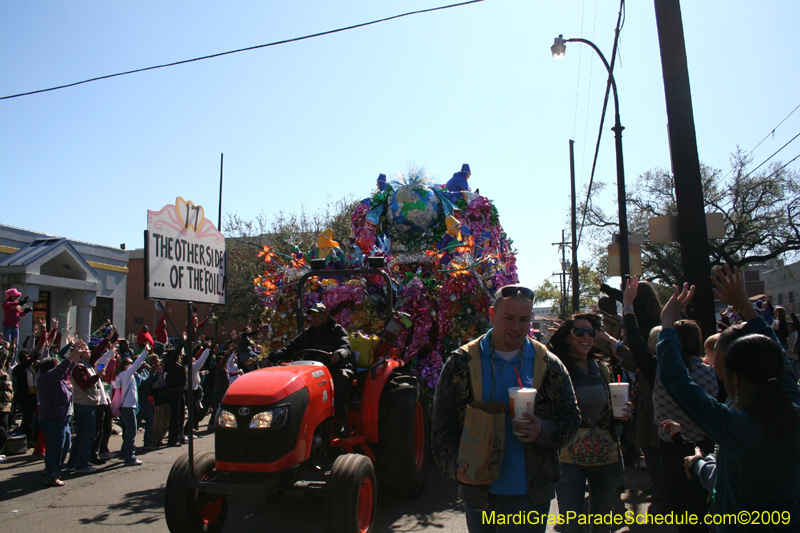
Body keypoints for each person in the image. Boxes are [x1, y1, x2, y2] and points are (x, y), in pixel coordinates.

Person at [658, 265, 800, 530]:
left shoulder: (736, 427)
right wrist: (746, 307)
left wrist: (667, 324)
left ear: (735, 378)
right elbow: (778, 356)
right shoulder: (792, 405)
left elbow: (678, 381)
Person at [431, 285, 581, 533]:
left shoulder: (548, 363)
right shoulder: (462, 362)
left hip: (531, 496)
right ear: (491, 315)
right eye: (508, 318)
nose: (517, 327)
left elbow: (572, 418)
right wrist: (455, 470)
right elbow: (441, 425)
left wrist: (542, 430)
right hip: (480, 495)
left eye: (524, 319)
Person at [548, 313, 629, 533]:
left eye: (591, 333)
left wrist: (621, 412)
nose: (586, 337)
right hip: (569, 458)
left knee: (603, 525)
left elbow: (609, 409)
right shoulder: (556, 369)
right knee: (571, 525)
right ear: (567, 337)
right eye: (579, 332)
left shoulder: (602, 368)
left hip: (605, 457)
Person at [269, 302, 355, 435]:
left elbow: (345, 347)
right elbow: (290, 348)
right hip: (312, 370)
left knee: (341, 377)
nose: (313, 318)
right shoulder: (307, 334)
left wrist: (339, 354)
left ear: (325, 316)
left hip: (332, 367)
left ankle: (340, 420)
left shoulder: (337, 330)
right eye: (311, 316)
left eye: (317, 315)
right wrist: (271, 357)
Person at [37, 343, 83, 487]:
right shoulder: (47, 378)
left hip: (63, 419)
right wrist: (72, 354)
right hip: (52, 418)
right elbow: (63, 367)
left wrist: (77, 354)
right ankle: (51, 475)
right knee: (55, 448)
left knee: (63, 446)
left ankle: (53, 471)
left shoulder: (61, 379)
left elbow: (68, 368)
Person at [113, 346, 148, 466]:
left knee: (129, 431)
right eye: (129, 363)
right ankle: (130, 456)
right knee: (131, 431)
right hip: (128, 406)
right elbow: (137, 364)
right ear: (124, 366)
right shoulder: (126, 374)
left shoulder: (126, 376)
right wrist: (145, 352)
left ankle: (125, 453)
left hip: (128, 405)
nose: (132, 365)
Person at [3, 288, 32, 353]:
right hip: (7, 326)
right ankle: (5, 359)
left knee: (15, 345)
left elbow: (20, 314)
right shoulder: (6, 303)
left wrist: (25, 311)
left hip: (15, 327)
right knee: (7, 345)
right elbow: (8, 304)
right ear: (10, 296)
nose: (16, 297)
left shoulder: (16, 305)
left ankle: (13, 361)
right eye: (15, 295)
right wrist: (19, 303)